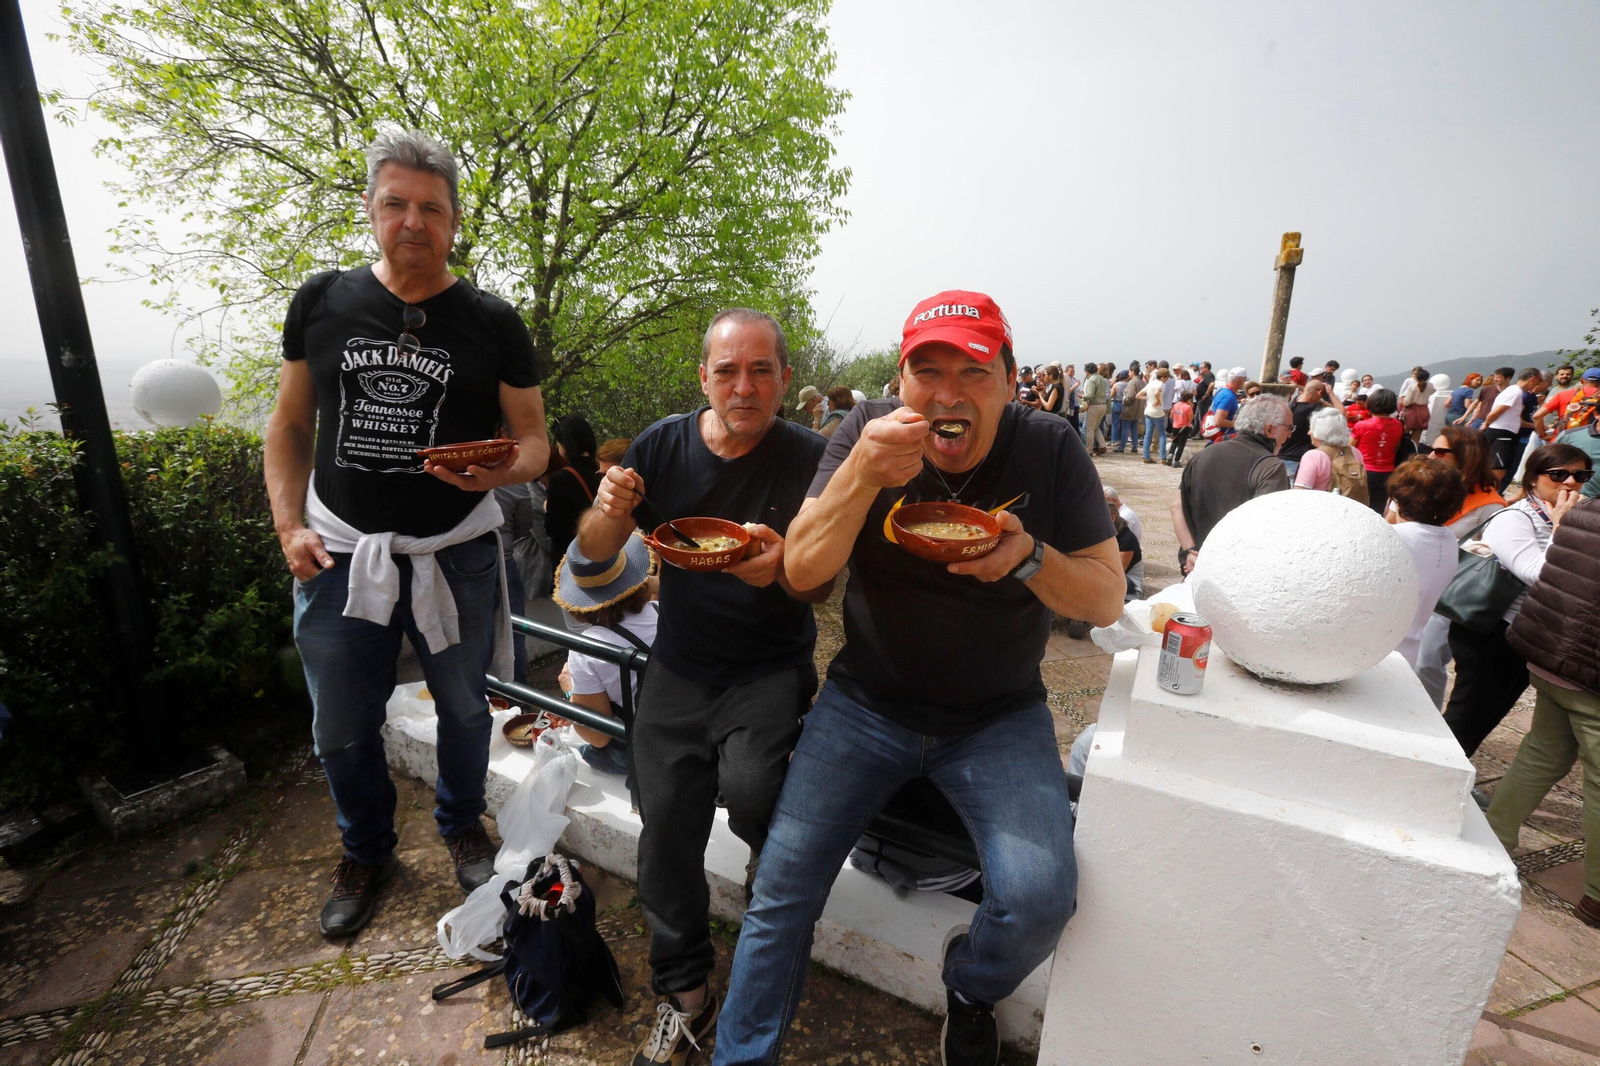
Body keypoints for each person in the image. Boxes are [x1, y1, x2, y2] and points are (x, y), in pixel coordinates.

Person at [714, 289, 1123, 1066]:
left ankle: (970, 984)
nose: (946, 394)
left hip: (998, 716)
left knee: (1040, 898)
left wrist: (1030, 556)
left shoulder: (1050, 444)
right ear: (900, 384)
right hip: (865, 704)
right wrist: (860, 476)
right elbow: (801, 574)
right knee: (781, 888)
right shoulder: (865, 433)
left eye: (971, 372)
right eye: (925, 372)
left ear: (1008, 379)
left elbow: (1105, 597)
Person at [264, 128, 550, 937]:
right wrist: (289, 526)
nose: (413, 222)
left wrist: (500, 471)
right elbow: (288, 426)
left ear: (455, 220)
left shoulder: (492, 321)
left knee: (464, 711)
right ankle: (365, 848)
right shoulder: (322, 303)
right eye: (396, 204)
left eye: (432, 208)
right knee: (341, 725)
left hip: (453, 551)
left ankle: (461, 823)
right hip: (335, 553)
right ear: (370, 209)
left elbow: (534, 438)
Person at [576, 308, 831, 1064]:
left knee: (757, 795)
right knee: (665, 836)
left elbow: (823, 586)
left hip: (768, 666)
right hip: (679, 670)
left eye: (761, 371)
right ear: (704, 378)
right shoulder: (663, 443)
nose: (743, 387)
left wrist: (785, 570)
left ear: (786, 379)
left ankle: (769, 924)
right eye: (727, 371)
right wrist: (607, 507)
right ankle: (686, 989)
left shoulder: (813, 457)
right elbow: (593, 559)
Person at [1491, 492, 1600, 928]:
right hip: (1590, 672)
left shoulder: (1585, 509)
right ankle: (1596, 895)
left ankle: (1493, 841)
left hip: (1550, 654)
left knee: (1542, 752)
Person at [1441, 444, 1591, 757]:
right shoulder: (1515, 518)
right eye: (1558, 474)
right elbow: (1538, 573)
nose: (1569, 482)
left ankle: (1450, 775)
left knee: (1487, 716)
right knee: (1466, 714)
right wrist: (1562, 527)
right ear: (1533, 478)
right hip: (1493, 631)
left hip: (1529, 633)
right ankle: (1432, 777)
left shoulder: (1567, 518)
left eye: (1580, 475)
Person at [1411, 424, 1506, 708]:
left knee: (1425, 662)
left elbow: (1490, 554)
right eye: (1430, 450)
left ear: (1468, 456)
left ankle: (1421, 722)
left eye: (1441, 451)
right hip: (1407, 582)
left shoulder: (1490, 506)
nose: (1431, 456)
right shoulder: (1426, 484)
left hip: (1445, 594)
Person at [552, 533, 657, 777]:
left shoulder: (588, 647)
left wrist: (570, 691)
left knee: (587, 749)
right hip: (687, 736)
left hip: (641, 754)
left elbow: (598, 737)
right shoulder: (663, 612)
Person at [1172, 395, 1292, 574]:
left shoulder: (1203, 454)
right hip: (1237, 572)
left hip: (1195, 564)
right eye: (1289, 428)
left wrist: (1190, 551)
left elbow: (1176, 506)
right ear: (1269, 429)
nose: (1290, 434)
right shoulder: (1271, 467)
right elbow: (1266, 527)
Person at [1383, 458, 1466, 673]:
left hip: (1376, 649)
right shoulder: (1448, 538)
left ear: (1399, 499)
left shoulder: (1392, 536)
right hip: (1410, 649)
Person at [544, 413, 601, 552]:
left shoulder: (560, 478)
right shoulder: (604, 469)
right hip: (601, 548)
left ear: (566, 444)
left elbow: (553, 529)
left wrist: (546, 508)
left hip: (572, 554)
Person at [1293, 406, 1367, 503]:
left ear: (1320, 431)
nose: (1308, 433)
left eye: (1311, 428)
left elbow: (1300, 493)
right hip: (1350, 509)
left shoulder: (1313, 456)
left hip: (1321, 511)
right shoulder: (1354, 452)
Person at [1350, 387, 1405, 514]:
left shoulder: (1362, 425)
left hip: (1363, 471)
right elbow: (1396, 448)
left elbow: (1350, 449)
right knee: (1377, 510)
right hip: (1388, 472)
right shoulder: (1398, 425)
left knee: (1358, 509)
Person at [1478, 367, 1534, 486]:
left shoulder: (1514, 391)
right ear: (1532, 379)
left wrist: (1535, 425)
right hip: (1500, 434)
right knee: (1497, 471)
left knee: (1499, 469)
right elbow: (1495, 413)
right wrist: (1486, 425)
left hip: (1505, 434)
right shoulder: (1515, 391)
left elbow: (1514, 419)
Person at [1280, 379, 1335, 480]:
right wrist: (1330, 395)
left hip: (1282, 457)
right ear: (1319, 393)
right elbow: (1339, 414)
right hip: (1301, 460)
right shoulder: (1316, 410)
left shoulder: (1289, 407)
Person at [1535, 366, 1600, 441]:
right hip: (1593, 441)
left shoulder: (1562, 394)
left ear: (1582, 380)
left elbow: (1537, 416)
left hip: (1564, 440)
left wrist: (1542, 435)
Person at [1106, 486, 1144, 598]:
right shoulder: (1107, 534)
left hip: (1130, 584)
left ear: (1112, 519)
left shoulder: (1127, 539)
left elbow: (1118, 573)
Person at [1203, 367, 1247, 441]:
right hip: (1223, 439)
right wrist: (1239, 425)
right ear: (1241, 379)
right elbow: (1219, 421)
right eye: (1245, 380)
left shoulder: (1222, 390)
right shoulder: (1228, 396)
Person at [1398, 366, 1436, 442]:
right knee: (1416, 437)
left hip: (1412, 412)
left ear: (1416, 377)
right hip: (1424, 411)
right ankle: (1414, 453)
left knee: (1401, 434)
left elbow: (1407, 402)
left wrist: (1402, 400)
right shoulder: (1430, 386)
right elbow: (1433, 391)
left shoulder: (1412, 387)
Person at [1141, 367, 1170, 464]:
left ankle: (1146, 456)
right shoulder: (1160, 384)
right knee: (1162, 434)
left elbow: (1138, 395)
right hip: (1157, 412)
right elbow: (1157, 392)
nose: (1167, 380)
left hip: (1148, 411)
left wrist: (1149, 398)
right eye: (1167, 378)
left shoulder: (1151, 383)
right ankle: (1163, 457)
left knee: (1148, 434)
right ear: (1163, 377)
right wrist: (1157, 401)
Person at [1081, 362, 1110, 454]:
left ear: (1087, 372)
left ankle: (1088, 450)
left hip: (1094, 406)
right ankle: (1102, 445)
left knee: (1089, 429)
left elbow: (1089, 395)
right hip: (1103, 405)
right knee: (1095, 427)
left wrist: (1081, 396)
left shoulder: (1091, 379)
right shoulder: (1102, 378)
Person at [1167, 389, 1195, 466]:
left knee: (1174, 442)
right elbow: (1191, 418)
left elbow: (1171, 416)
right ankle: (1176, 460)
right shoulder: (1188, 407)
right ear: (1189, 399)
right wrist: (1191, 408)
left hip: (1175, 426)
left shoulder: (1175, 405)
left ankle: (1170, 455)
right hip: (1184, 427)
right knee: (1181, 445)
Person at [1121, 364, 1146, 451]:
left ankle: (1122, 447)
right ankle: (1135, 446)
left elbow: (1130, 395)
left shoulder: (1132, 382)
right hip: (1139, 408)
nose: (1128, 373)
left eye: (1129, 371)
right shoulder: (1143, 382)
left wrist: (1124, 401)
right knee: (1134, 428)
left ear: (1132, 371)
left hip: (1130, 408)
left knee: (1126, 428)